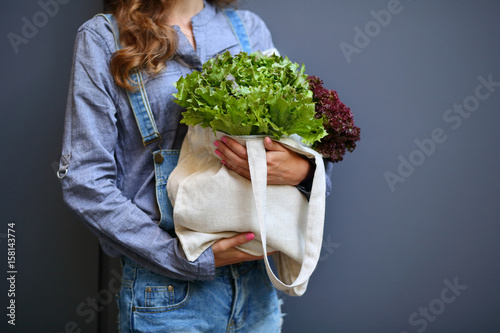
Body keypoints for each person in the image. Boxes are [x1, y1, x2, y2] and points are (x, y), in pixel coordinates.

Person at [58, 0, 331, 331]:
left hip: (258, 284)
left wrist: (304, 171)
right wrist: (179, 256)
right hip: (167, 294)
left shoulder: (246, 28)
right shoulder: (104, 37)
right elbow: (85, 181)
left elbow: (298, 137)